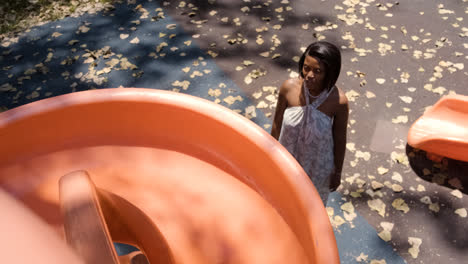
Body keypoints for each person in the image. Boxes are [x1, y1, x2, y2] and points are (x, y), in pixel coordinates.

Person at [271, 41, 349, 205]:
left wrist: (337, 173)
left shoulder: (339, 102)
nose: (309, 75)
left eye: (318, 71)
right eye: (306, 68)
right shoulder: (288, 88)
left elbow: (340, 139)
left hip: (317, 169)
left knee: (309, 209)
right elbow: (277, 125)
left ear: (330, 73)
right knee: (282, 203)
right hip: (287, 163)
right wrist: (270, 156)